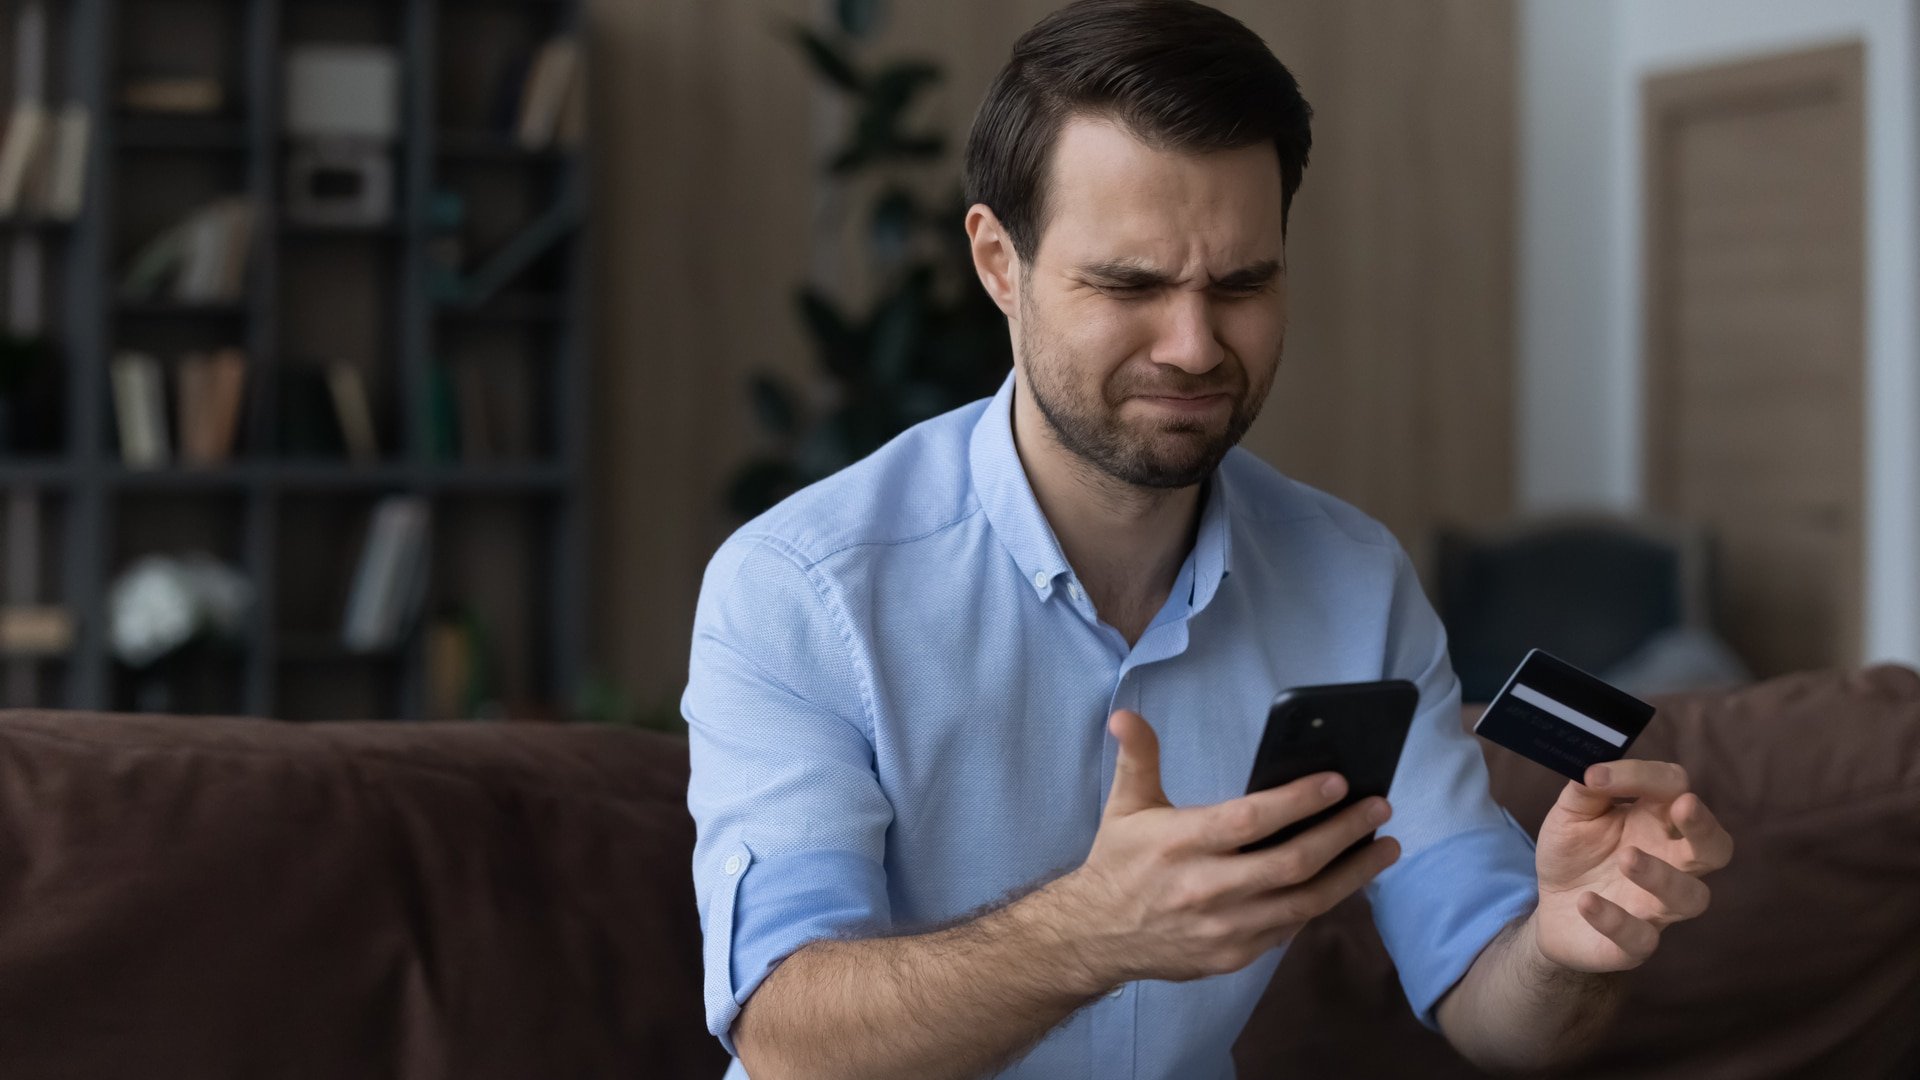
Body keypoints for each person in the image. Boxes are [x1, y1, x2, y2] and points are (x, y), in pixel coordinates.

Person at [684, 2, 1733, 1077]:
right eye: (1129, 284)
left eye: (1241, 284)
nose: (1193, 346)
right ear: (1000, 263)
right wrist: (1089, 932)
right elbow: (784, 1030)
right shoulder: (801, 587)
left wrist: (1569, 945)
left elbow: (1491, 1003)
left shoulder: (1353, 583)